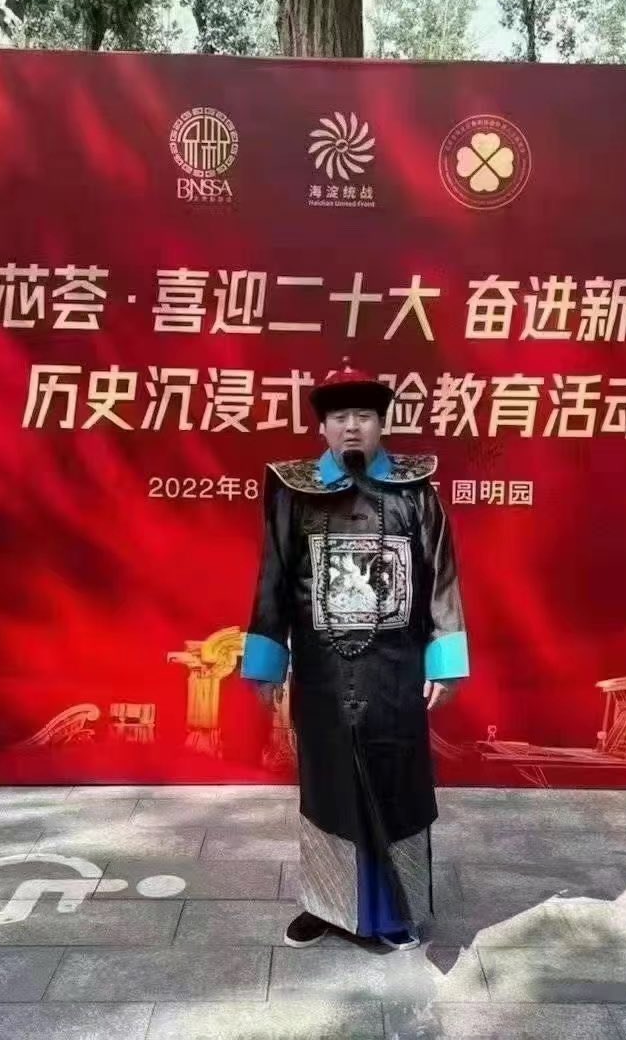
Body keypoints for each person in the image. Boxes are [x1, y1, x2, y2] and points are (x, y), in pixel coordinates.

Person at [241, 359, 469, 951]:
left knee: (397, 783)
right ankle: (325, 904)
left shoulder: (417, 490)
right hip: (321, 671)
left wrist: (444, 662)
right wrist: (268, 662)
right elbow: (273, 577)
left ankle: (398, 909)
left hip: (395, 671)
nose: (351, 426)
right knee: (327, 788)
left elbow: (440, 578)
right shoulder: (293, 491)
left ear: (380, 424)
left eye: (363, 416)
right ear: (322, 428)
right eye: (340, 416)